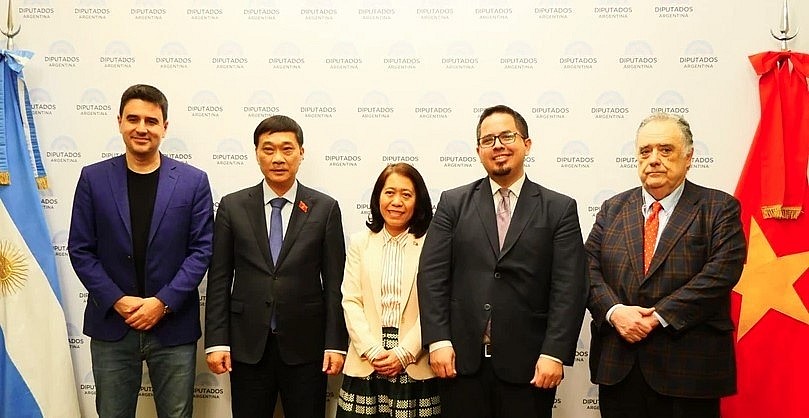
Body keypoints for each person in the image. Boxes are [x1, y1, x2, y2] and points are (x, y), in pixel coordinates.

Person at [417, 104, 588, 418]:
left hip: (531, 365)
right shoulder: (453, 204)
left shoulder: (558, 209)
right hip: (460, 362)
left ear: (526, 143)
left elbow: (570, 288)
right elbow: (432, 277)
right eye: (488, 139)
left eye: (506, 136)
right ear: (479, 150)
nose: (498, 145)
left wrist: (554, 353)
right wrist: (438, 340)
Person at [586, 112, 747, 418]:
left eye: (665, 150)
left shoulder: (719, 208)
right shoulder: (612, 209)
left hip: (690, 372)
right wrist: (614, 312)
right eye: (645, 151)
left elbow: (721, 273)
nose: (654, 159)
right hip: (619, 368)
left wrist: (658, 316)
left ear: (689, 157)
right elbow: (586, 269)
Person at [68, 84, 214, 418]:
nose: (141, 128)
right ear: (119, 121)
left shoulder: (193, 182)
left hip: (172, 325)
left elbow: (201, 251)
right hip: (112, 324)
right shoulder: (93, 178)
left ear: (165, 127)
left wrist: (162, 303)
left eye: (151, 120)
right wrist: (117, 299)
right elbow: (80, 249)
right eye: (133, 118)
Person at [204, 115, 348, 417]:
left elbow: (335, 284)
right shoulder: (232, 207)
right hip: (247, 346)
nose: (278, 158)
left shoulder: (324, 207)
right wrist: (216, 341)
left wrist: (335, 344)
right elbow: (219, 279)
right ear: (256, 153)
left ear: (301, 153)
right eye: (268, 149)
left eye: (287, 149)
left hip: (307, 347)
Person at [338, 163, 441, 417]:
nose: (396, 201)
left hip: (415, 361)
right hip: (367, 360)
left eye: (406, 195)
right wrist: (372, 350)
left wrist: (404, 353)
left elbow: (436, 304)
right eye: (389, 192)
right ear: (377, 197)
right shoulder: (359, 243)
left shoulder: (432, 244)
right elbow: (351, 301)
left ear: (418, 202)